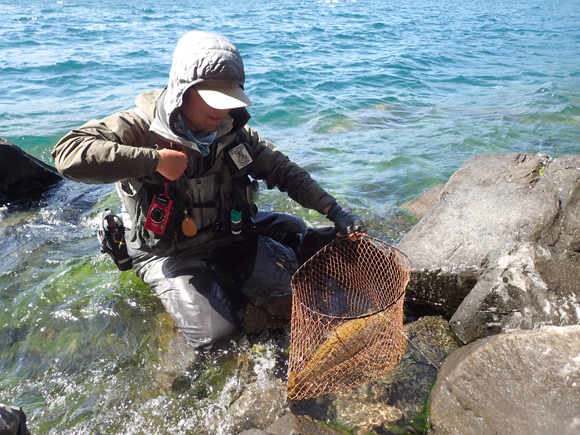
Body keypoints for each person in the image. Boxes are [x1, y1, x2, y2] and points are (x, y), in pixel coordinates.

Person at [52, 31, 366, 348]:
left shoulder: (234, 133)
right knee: (218, 337)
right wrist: (153, 161)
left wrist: (336, 212)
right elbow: (68, 153)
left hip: (226, 235)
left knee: (295, 229)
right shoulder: (138, 128)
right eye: (213, 99)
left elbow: (284, 171)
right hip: (169, 251)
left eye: (230, 100)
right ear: (182, 92)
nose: (223, 112)